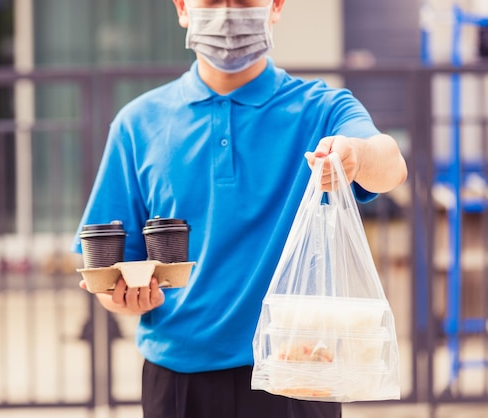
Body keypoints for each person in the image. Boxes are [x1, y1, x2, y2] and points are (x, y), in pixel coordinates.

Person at [73, 0, 408, 417]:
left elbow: (391, 164)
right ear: (182, 7)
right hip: (178, 382)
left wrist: (356, 155)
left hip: (297, 372)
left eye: (245, 1)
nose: (229, 13)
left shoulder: (322, 109)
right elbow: (111, 272)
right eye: (212, 1)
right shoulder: (138, 124)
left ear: (276, 6)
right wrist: (124, 300)